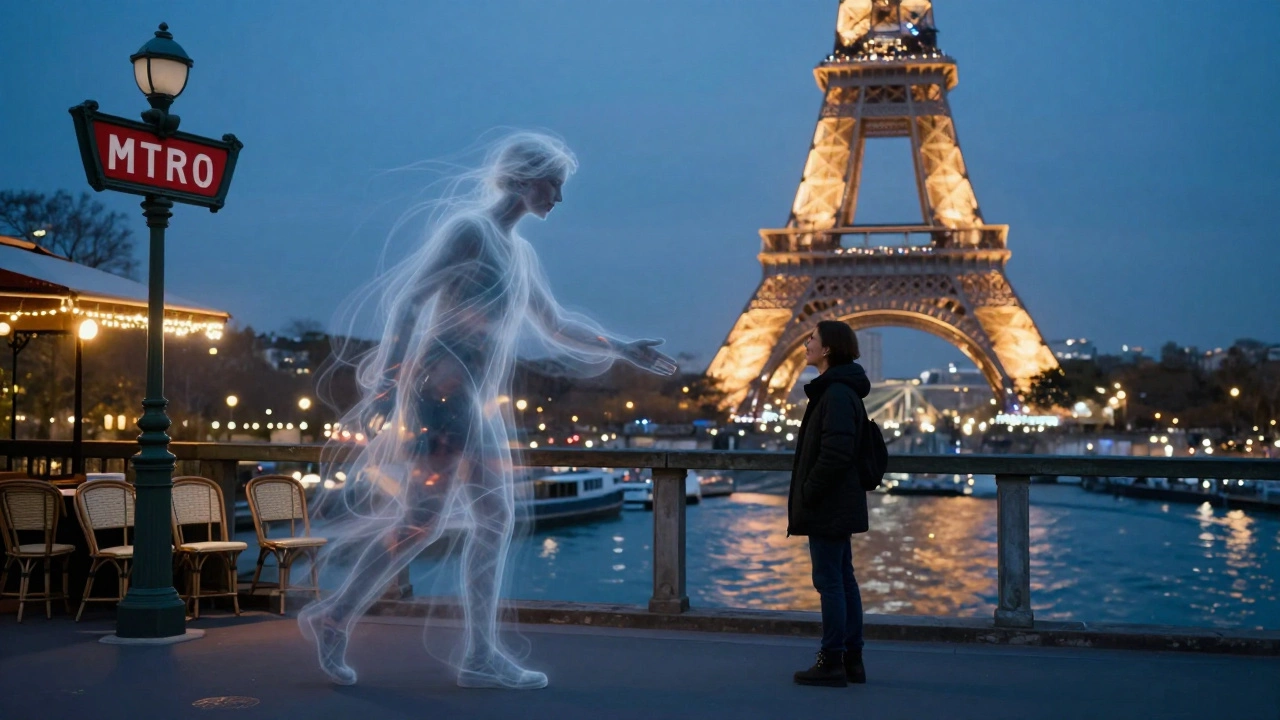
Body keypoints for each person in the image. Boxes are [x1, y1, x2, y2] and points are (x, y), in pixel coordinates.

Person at [299, 132, 677, 690]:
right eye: (555, 184)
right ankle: (347, 620)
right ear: (525, 178)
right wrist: (388, 382)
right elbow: (411, 300)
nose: (560, 198)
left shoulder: (518, 252)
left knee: (477, 521)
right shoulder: (470, 231)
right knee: (428, 520)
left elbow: (554, 325)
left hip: (467, 400)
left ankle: (461, 648)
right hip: (439, 393)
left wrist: (622, 348)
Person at [788, 320, 871, 688]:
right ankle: (852, 659)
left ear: (827, 350)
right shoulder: (839, 390)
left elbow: (835, 452)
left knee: (830, 582)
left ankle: (832, 660)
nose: (805, 343)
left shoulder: (835, 393)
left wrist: (809, 491)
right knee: (843, 579)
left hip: (828, 502)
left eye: (812, 339)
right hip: (838, 500)